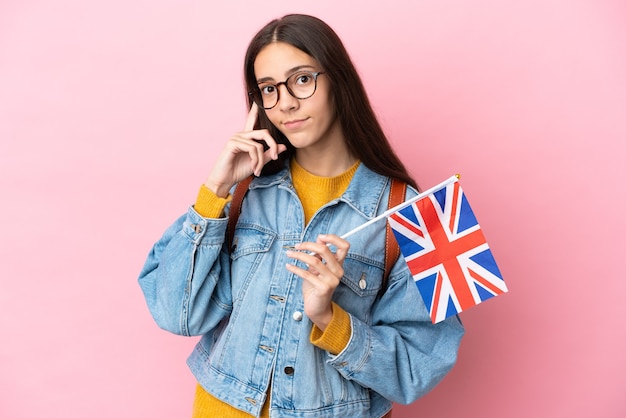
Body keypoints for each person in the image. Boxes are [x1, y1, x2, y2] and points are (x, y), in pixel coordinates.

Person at [138, 14, 464, 418]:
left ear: (338, 80)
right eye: (269, 89)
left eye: (303, 79)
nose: (286, 103)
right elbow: (175, 315)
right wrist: (213, 191)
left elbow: (420, 367)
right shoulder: (241, 193)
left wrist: (331, 318)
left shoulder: (420, 214)